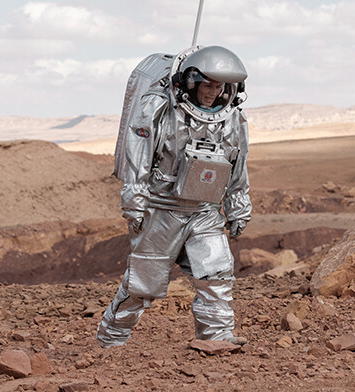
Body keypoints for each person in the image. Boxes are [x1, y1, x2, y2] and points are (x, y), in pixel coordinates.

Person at [96, 45, 252, 348]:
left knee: (216, 276)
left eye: (219, 87)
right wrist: (135, 202)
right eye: (208, 85)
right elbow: (138, 157)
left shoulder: (232, 118)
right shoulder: (159, 108)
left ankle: (216, 339)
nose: (213, 93)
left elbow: (238, 163)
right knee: (143, 286)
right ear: (191, 81)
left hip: (205, 209)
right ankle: (110, 343)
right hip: (161, 208)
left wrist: (238, 206)